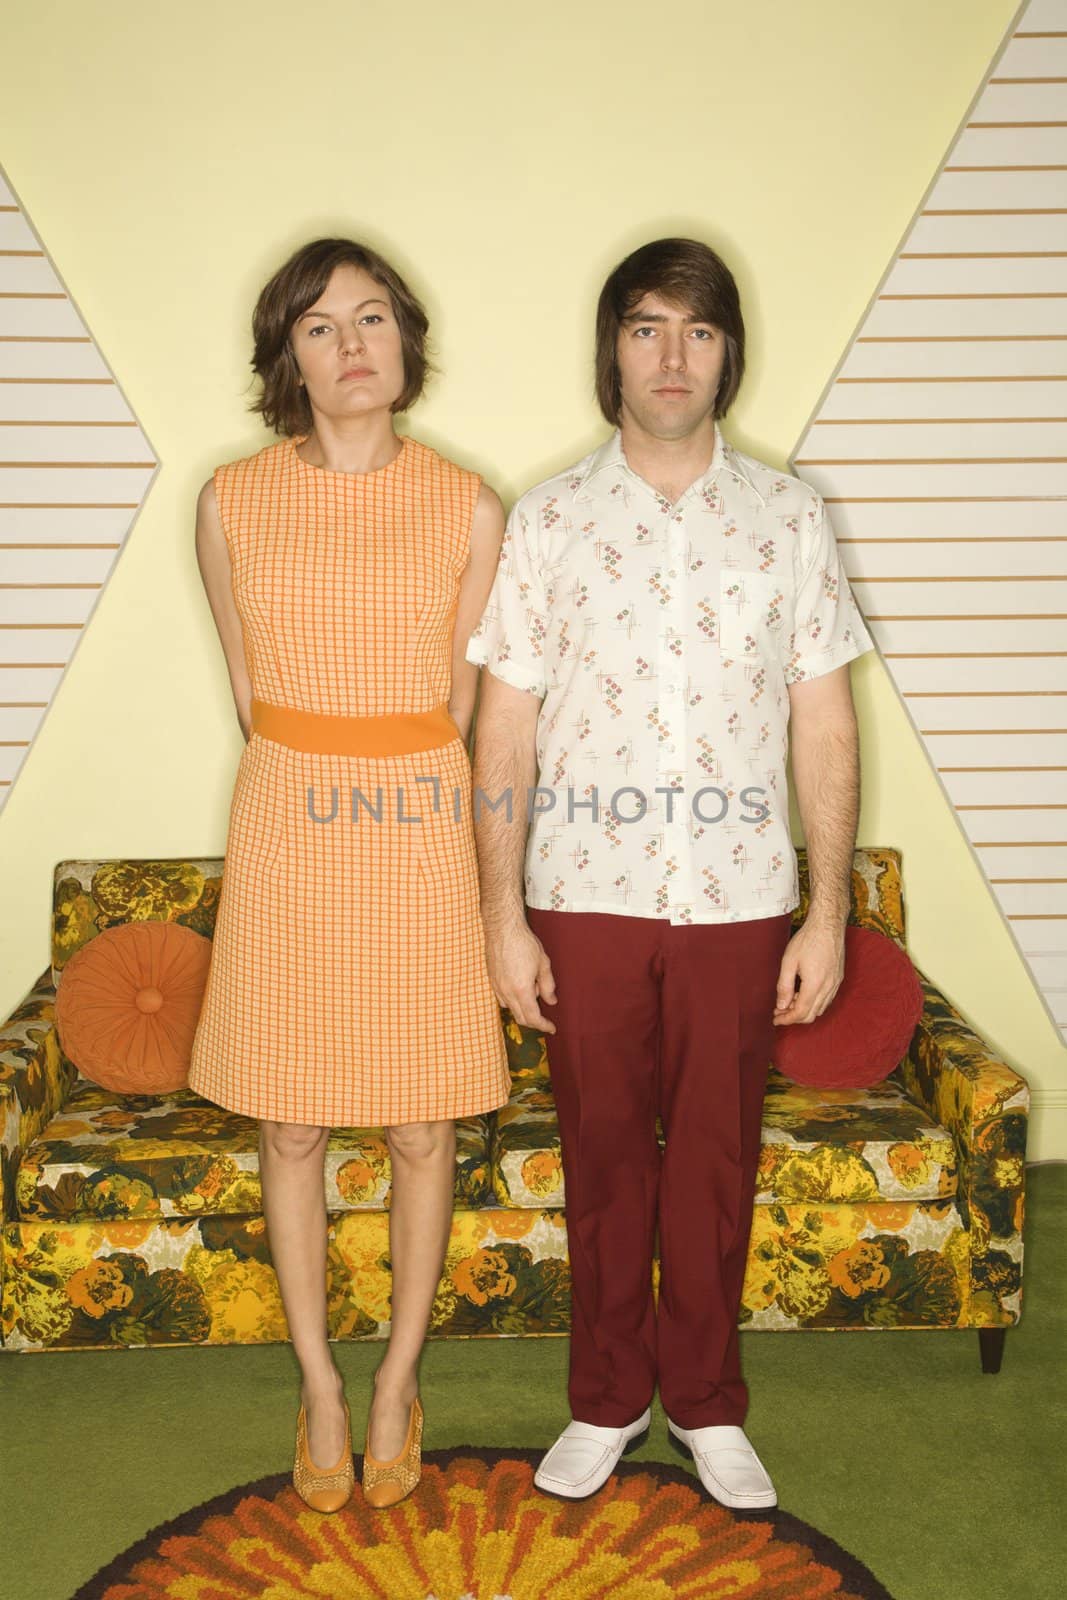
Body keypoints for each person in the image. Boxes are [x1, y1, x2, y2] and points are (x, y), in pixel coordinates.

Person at [465, 236, 875, 1510]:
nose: (671, 356)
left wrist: (827, 910)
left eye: (696, 331)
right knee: (600, 1151)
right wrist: (498, 917)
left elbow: (822, 721)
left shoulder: (789, 519)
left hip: (739, 899)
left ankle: (702, 1401)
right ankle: (605, 1397)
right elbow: (506, 728)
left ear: (726, 353)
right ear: (612, 351)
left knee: (711, 1156)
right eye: (646, 328)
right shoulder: (546, 520)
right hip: (580, 893)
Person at [188, 236, 511, 1513]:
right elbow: (248, 692)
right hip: (288, 819)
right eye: (320, 327)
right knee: (292, 1120)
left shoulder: (468, 505)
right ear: (290, 358)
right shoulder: (228, 502)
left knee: (422, 1119)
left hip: (417, 818)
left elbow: (463, 709)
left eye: (371, 317)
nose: (351, 343)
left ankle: (397, 1383)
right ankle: (319, 1380)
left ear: (405, 341)